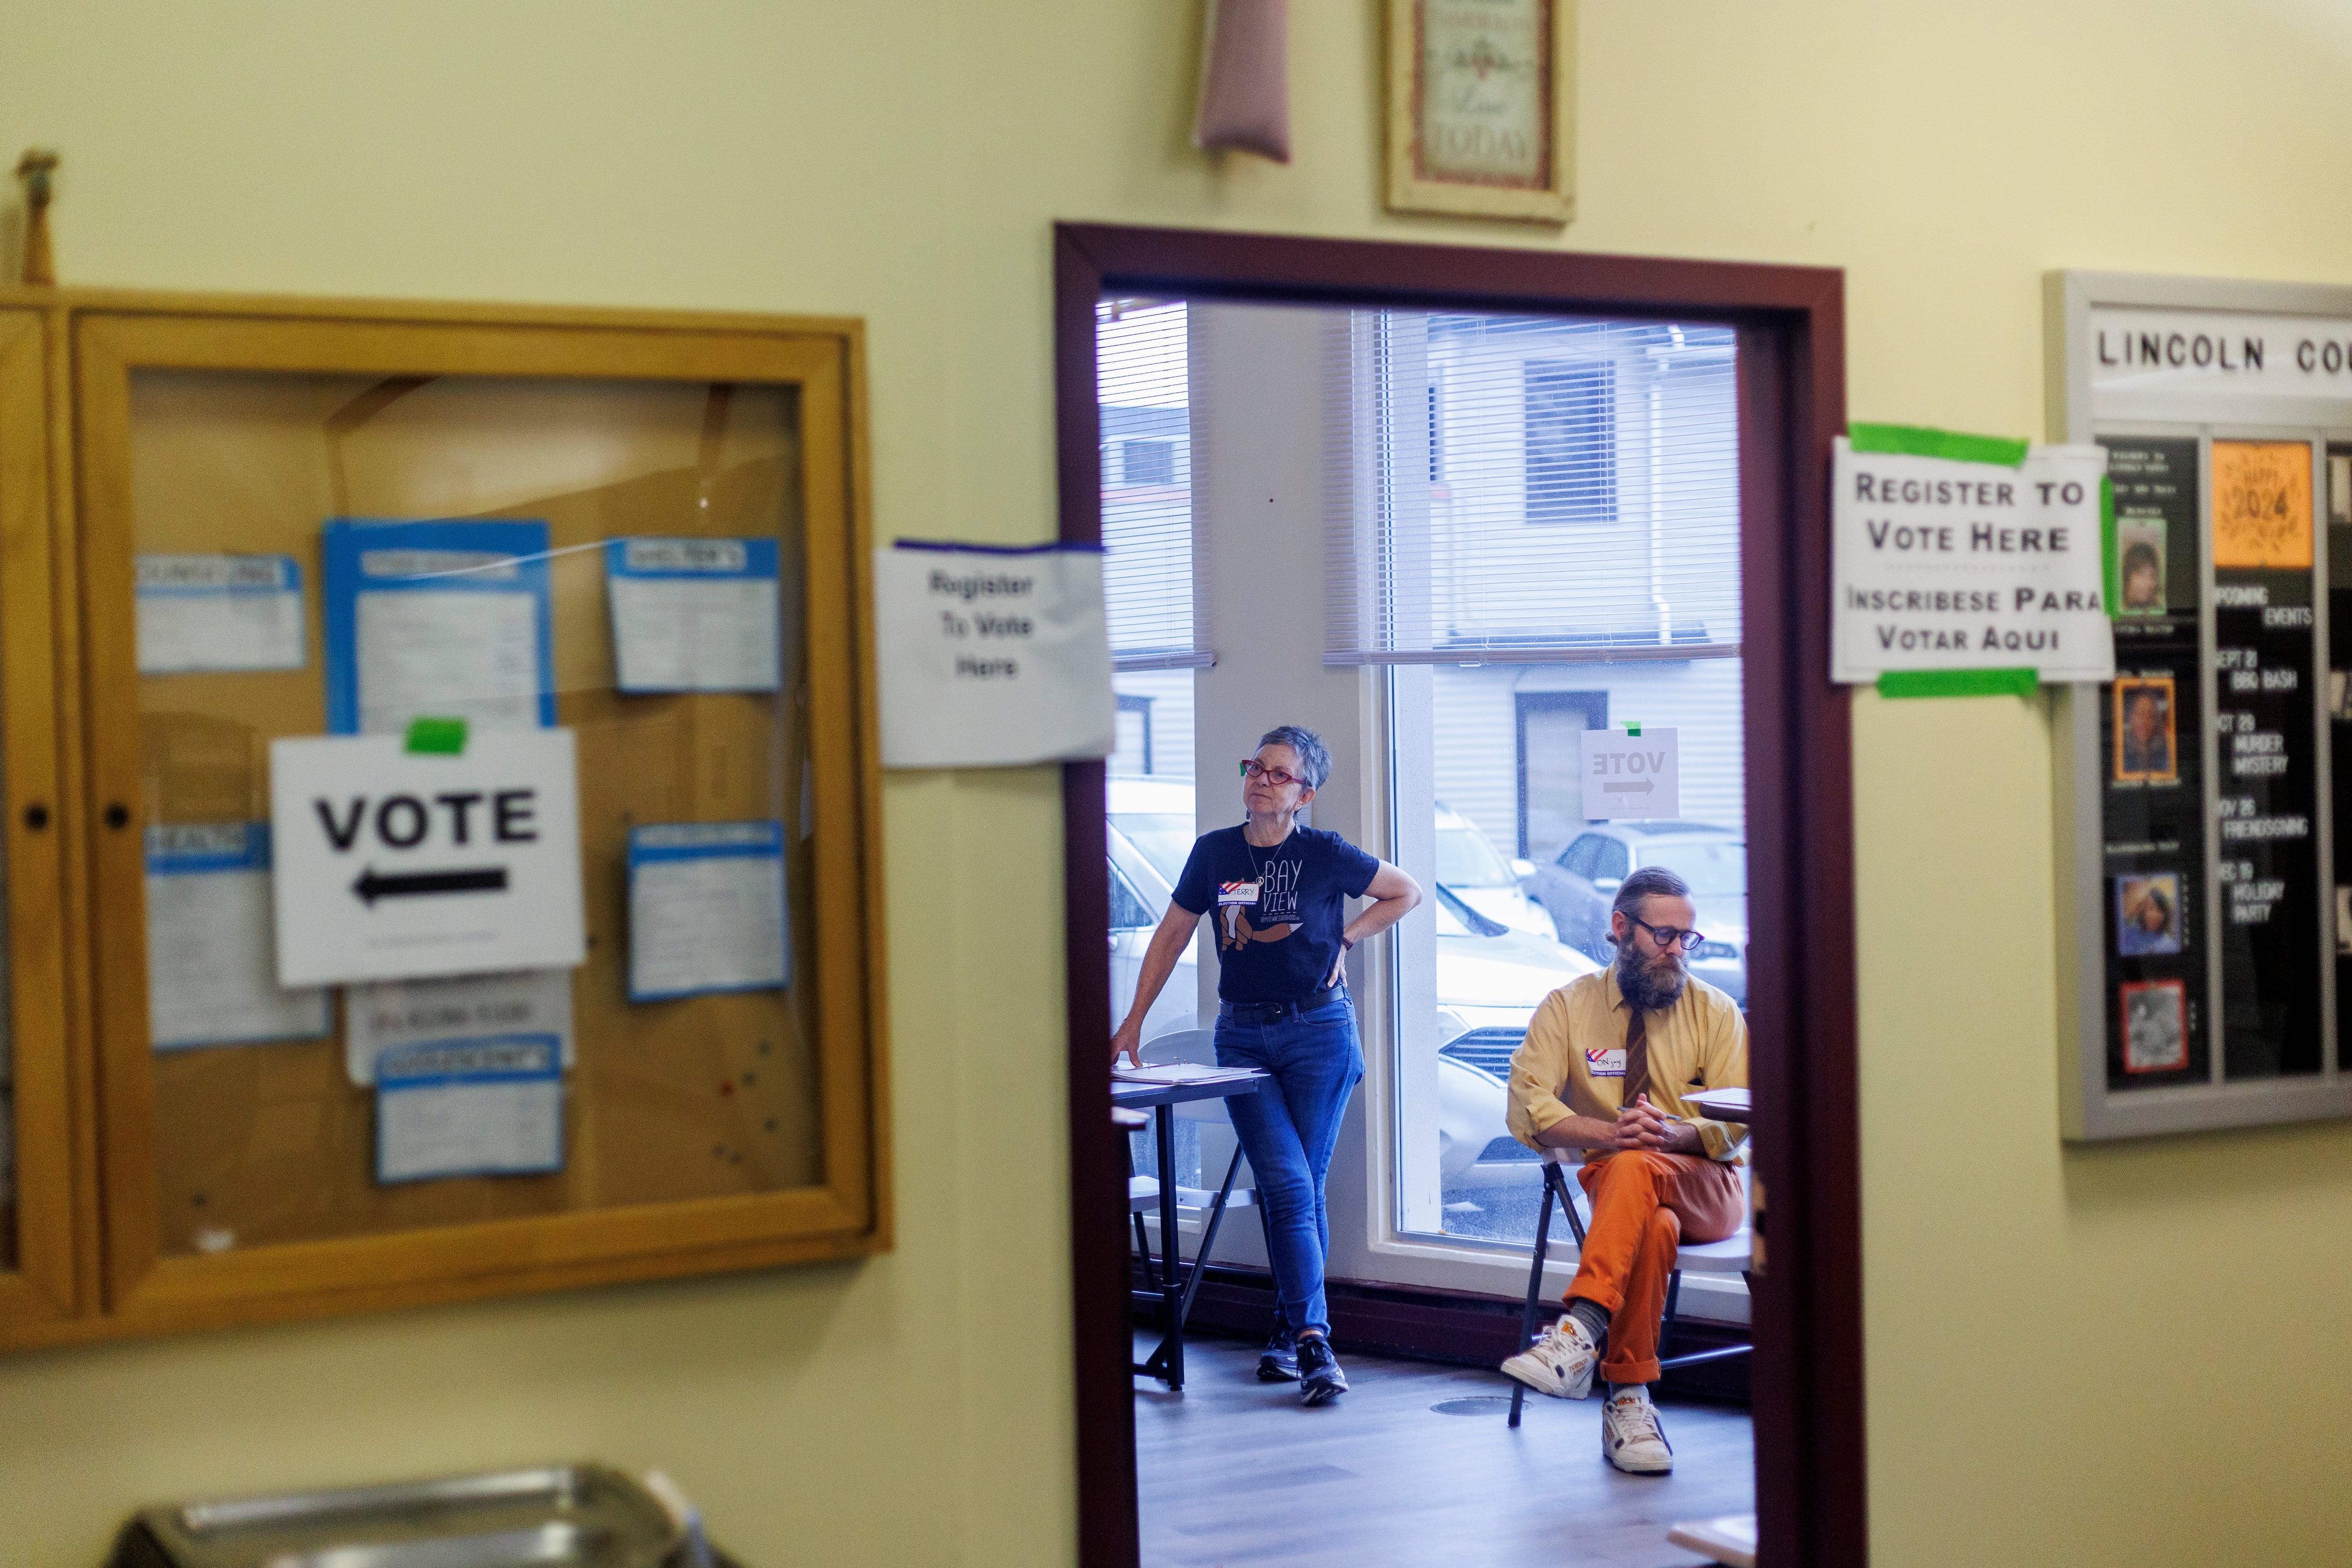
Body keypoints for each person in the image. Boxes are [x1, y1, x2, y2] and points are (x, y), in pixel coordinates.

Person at [1112, 724, 1422, 1407]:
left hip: (1320, 1033)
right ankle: (1313, 1338)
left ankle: (1293, 1335)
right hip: (1243, 1039)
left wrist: (1348, 931)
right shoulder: (1215, 852)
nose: (1260, 778)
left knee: (1297, 1187)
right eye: (1255, 766)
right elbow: (1171, 933)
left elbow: (1405, 893)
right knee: (1290, 1183)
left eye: (1279, 773)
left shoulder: (1325, 854)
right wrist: (1133, 1016)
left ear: (1304, 795)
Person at [1496, 865, 1748, 1474]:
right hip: (1622, 1191)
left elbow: (1739, 1118)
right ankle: (1630, 1401)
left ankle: (1580, 1330)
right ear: (1620, 928)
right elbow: (1527, 1107)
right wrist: (1611, 1131)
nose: (1677, 952)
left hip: (1707, 1185)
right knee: (1652, 1222)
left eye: (1688, 939)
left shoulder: (1715, 1010)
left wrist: (1673, 1132)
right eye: (1664, 936)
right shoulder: (1568, 1007)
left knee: (1642, 1165)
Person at [2120, 686, 2172, 778]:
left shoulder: (2166, 752)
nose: (2145, 722)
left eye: (2151, 716)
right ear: (2130, 718)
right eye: (2140, 714)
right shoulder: (2119, 751)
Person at [2121, 540, 2163, 613]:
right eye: (2142, 574)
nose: (2150, 583)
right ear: (2127, 576)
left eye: (2152, 576)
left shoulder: (2158, 612)